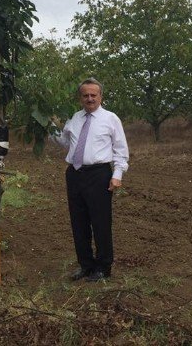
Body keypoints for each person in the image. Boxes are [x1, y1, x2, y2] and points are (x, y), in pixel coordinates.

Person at [54, 78, 129, 282]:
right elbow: (64, 142)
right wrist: (47, 125)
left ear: (100, 96)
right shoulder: (75, 118)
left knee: (101, 222)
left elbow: (121, 150)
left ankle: (103, 267)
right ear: (80, 97)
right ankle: (85, 265)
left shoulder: (111, 119)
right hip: (75, 174)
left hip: (99, 175)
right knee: (78, 222)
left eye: (93, 95)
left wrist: (117, 175)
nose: (89, 99)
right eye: (85, 95)